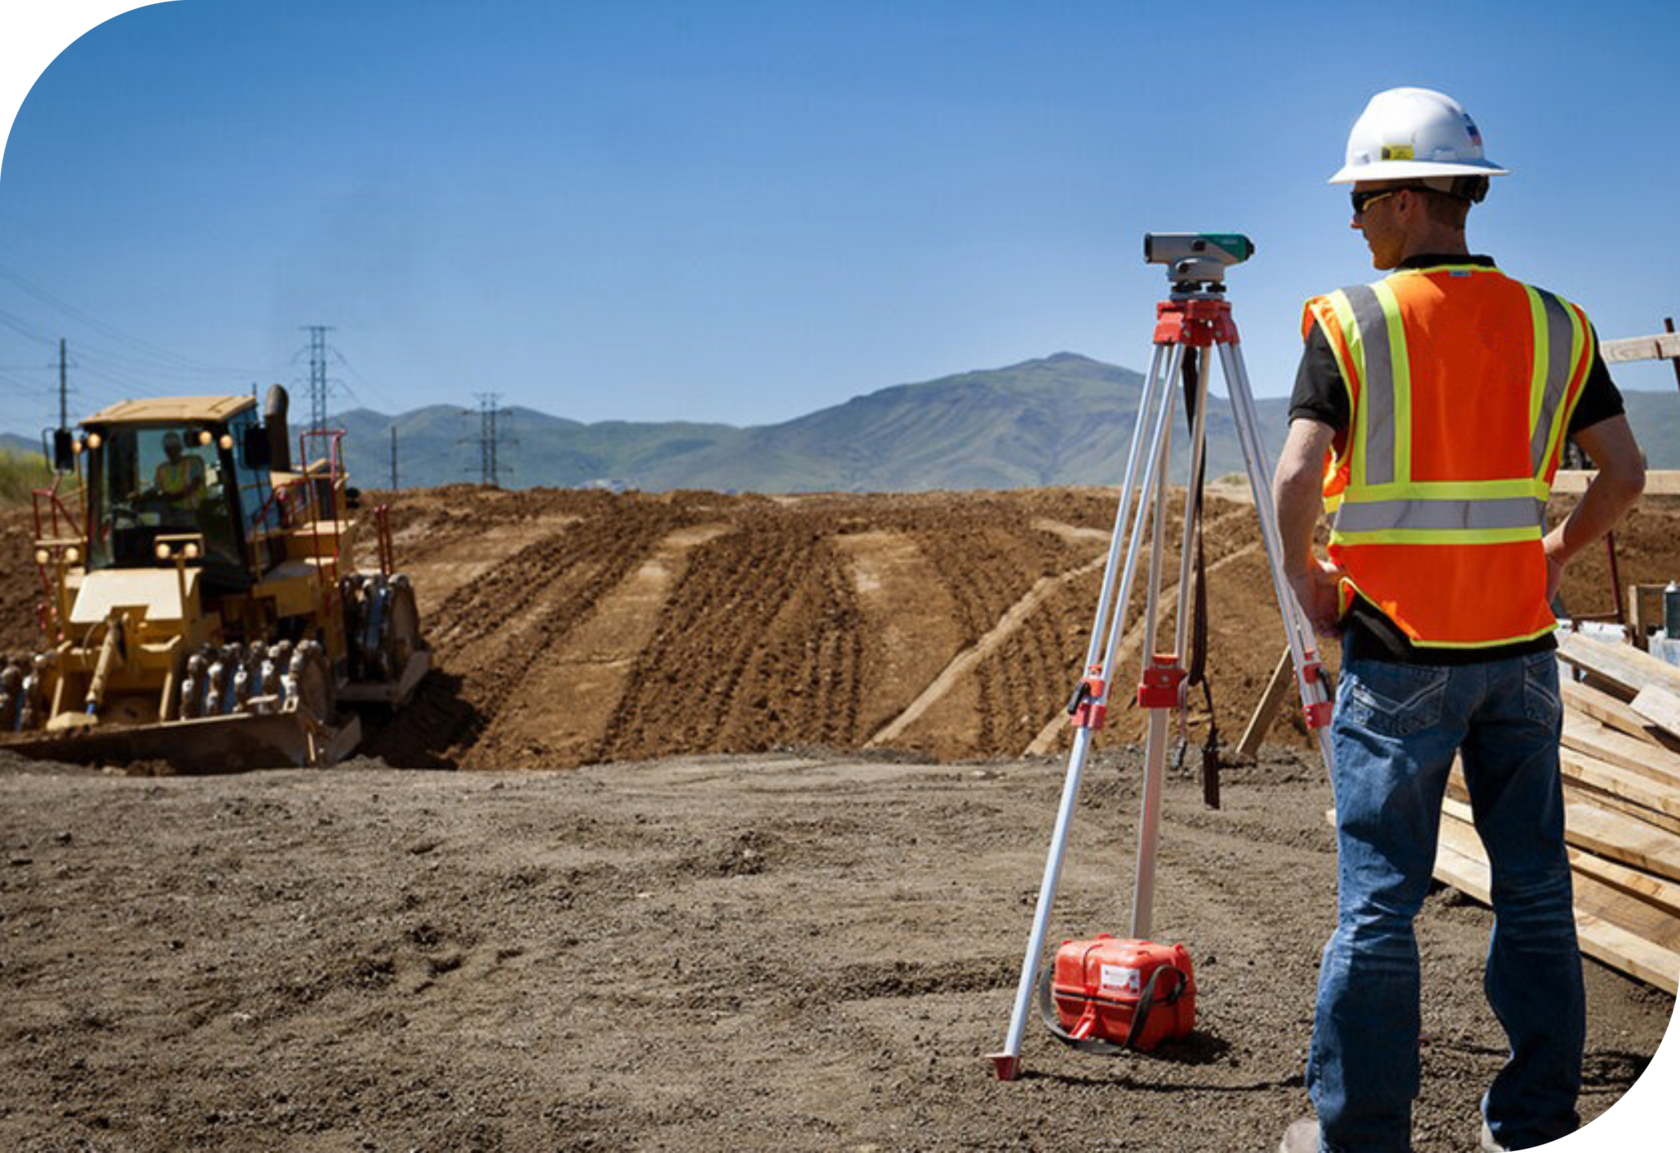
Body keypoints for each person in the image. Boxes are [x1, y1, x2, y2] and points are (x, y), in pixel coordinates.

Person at [1272, 87, 1645, 1153]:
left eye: (1361, 201)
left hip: (1396, 656)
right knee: (1536, 895)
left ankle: (1361, 1138)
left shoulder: (1353, 319)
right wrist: (1558, 553)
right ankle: (1531, 1128)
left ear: (1403, 198)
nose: (1352, 223)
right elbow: (1621, 470)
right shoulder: (1556, 322)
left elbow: (1298, 472)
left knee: (1379, 908)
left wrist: (1304, 576)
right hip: (1520, 656)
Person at [153, 430, 207, 510]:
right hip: (170, 513)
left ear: (180, 448)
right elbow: (158, 490)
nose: (172, 451)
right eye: (169, 448)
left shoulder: (193, 463)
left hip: (195, 513)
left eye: (174, 447)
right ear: (166, 450)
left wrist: (177, 497)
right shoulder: (161, 469)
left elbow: (196, 483)